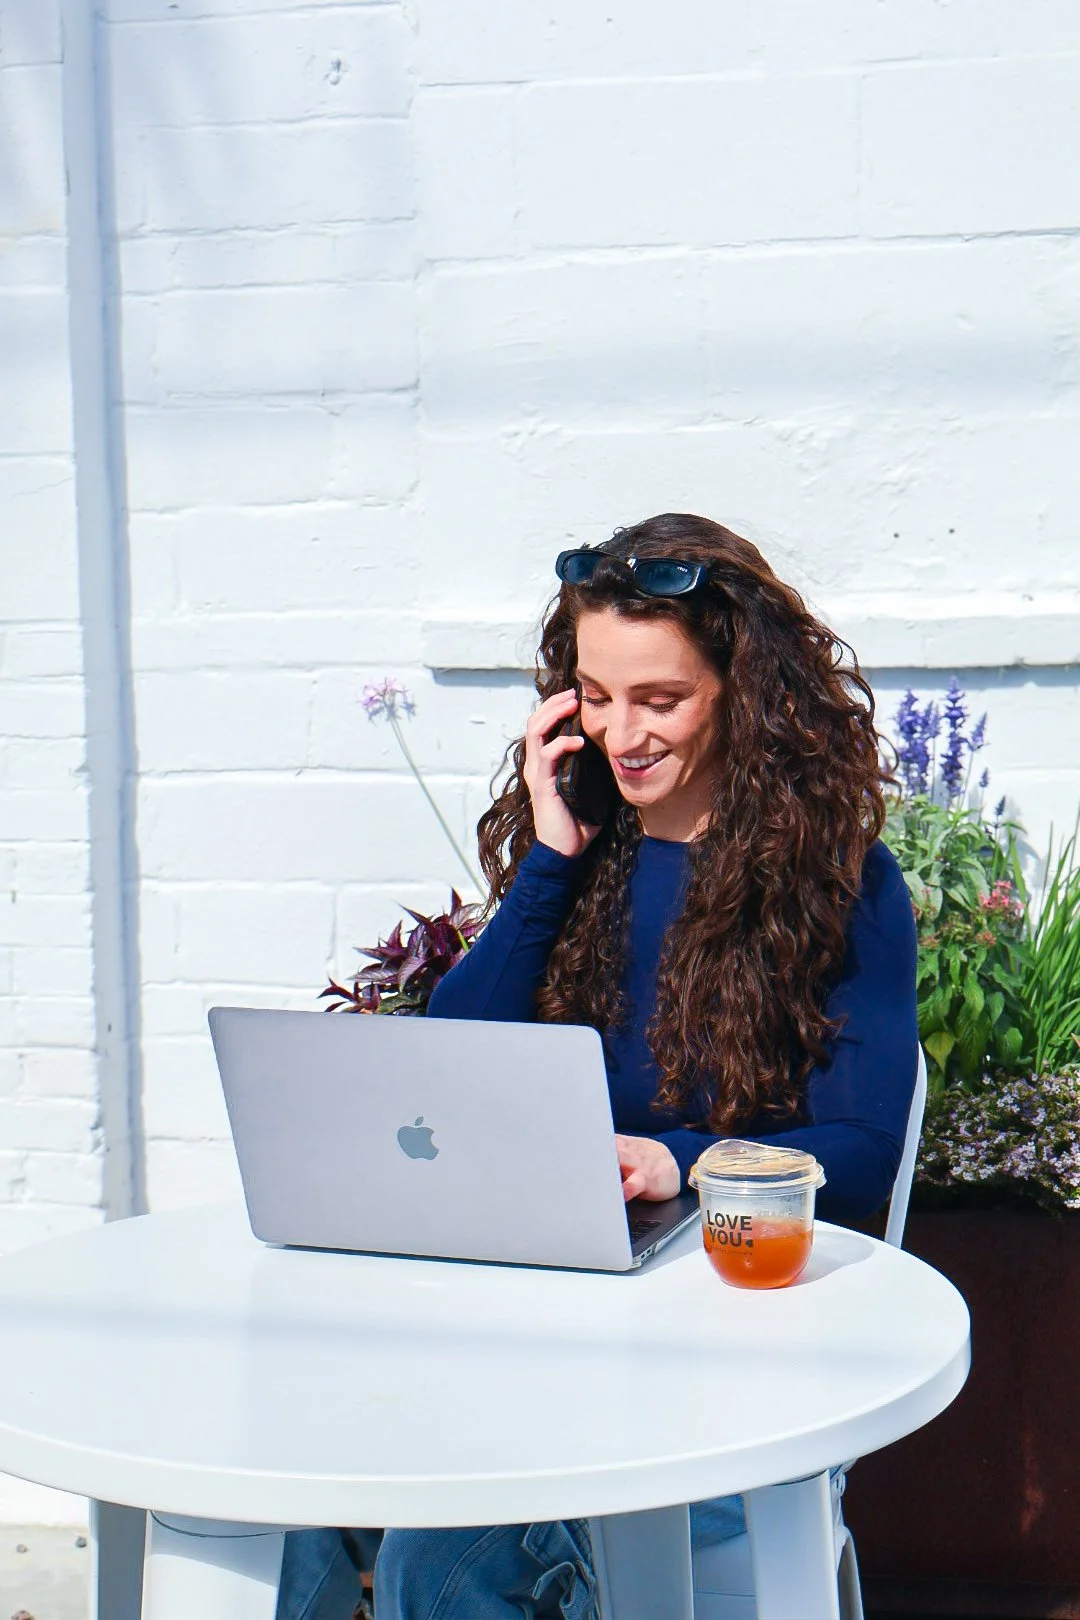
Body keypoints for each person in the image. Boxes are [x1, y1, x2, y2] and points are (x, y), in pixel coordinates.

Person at [277, 513, 918, 1620]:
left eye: (659, 699)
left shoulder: (842, 885)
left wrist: (676, 1165)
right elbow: (451, 1070)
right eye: (598, 695)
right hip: (542, 1327)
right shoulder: (589, 860)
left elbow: (858, 1157)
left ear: (743, 692)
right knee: (285, 1476)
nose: (623, 733)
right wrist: (549, 860)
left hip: (712, 1356)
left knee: (448, 1556)